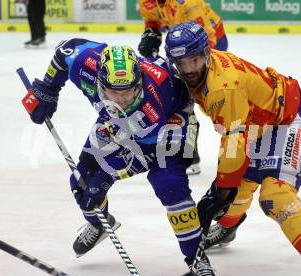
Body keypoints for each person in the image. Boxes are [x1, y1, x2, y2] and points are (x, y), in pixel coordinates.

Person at [165, 21, 301, 275]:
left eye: (193, 60)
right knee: (235, 186)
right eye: (180, 63)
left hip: (288, 118)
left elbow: (233, 141)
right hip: (256, 123)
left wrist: (219, 190)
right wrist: (223, 189)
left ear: (205, 54)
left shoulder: (222, 88)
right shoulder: (205, 69)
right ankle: (228, 226)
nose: (187, 69)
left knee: (274, 195)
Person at [26, 40, 214, 275]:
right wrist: (48, 89)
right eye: (114, 92)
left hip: (171, 123)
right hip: (120, 123)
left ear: (140, 83)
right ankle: (99, 224)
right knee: (81, 181)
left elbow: (143, 155)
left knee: (169, 183)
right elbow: (65, 50)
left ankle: (197, 260)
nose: (122, 100)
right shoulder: (86, 63)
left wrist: (105, 177)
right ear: (99, 81)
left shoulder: (152, 101)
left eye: (128, 91)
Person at [138, 0, 229, 175]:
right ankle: (189, 155)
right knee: (182, 97)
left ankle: (241, 142)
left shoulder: (189, 4)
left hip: (211, 41)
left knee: (207, 97)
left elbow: (207, 42)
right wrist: (152, 32)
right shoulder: (147, 1)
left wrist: (194, 73)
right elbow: (153, 18)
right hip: (180, 40)